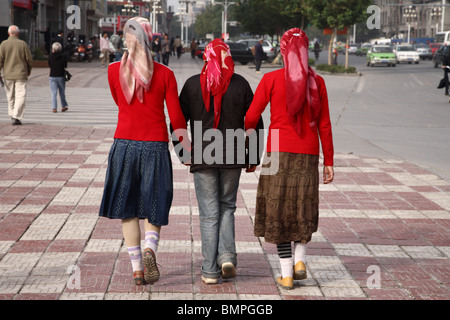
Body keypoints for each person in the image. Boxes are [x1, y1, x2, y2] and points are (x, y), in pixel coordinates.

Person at [98, 17, 190, 286]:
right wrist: (185, 151)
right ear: (150, 38)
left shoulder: (114, 70)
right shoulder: (165, 74)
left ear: (126, 38)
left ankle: (137, 268)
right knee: (154, 203)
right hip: (155, 145)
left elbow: (119, 102)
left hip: (123, 144)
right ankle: (151, 247)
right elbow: (176, 117)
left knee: (127, 208)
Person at [244, 28, 334, 290]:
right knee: (302, 206)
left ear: (282, 51)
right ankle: (300, 260)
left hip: (276, 152)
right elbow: (325, 125)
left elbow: (251, 118)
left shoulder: (271, 79)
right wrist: (329, 161)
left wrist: (249, 140)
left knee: (278, 211)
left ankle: (285, 274)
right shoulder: (318, 83)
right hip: (308, 151)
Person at [174, 39, 264, 284]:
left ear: (205, 57)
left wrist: (183, 152)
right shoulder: (241, 84)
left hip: (203, 157)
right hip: (233, 157)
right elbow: (255, 120)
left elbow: (177, 119)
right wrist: (253, 156)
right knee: (227, 207)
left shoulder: (193, 84)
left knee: (208, 213)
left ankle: (210, 270)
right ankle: (226, 257)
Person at [0, 25, 33, 126]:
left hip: (8, 74)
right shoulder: (22, 44)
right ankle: (16, 115)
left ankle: (12, 114)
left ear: (9, 33)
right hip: (21, 74)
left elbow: (0, 60)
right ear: (18, 33)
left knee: (10, 96)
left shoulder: (3, 44)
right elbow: (29, 59)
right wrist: (29, 69)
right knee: (21, 95)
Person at [48, 42, 69, 113]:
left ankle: (54, 108)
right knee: (62, 92)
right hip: (61, 76)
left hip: (52, 76)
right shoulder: (63, 56)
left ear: (53, 49)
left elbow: (49, 65)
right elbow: (65, 66)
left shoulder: (50, 56)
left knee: (54, 93)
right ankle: (63, 106)